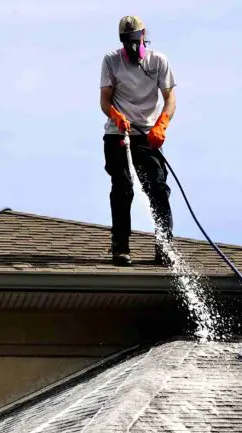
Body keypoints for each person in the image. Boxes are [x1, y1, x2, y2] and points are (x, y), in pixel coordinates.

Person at [100, 15, 177, 266]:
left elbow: (170, 98)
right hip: (118, 133)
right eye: (127, 42)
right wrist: (116, 115)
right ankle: (120, 247)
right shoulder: (111, 61)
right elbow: (105, 99)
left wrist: (162, 124)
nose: (132, 46)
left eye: (135, 40)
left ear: (143, 35)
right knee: (123, 187)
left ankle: (164, 246)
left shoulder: (158, 61)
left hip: (148, 133)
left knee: (157, 187)